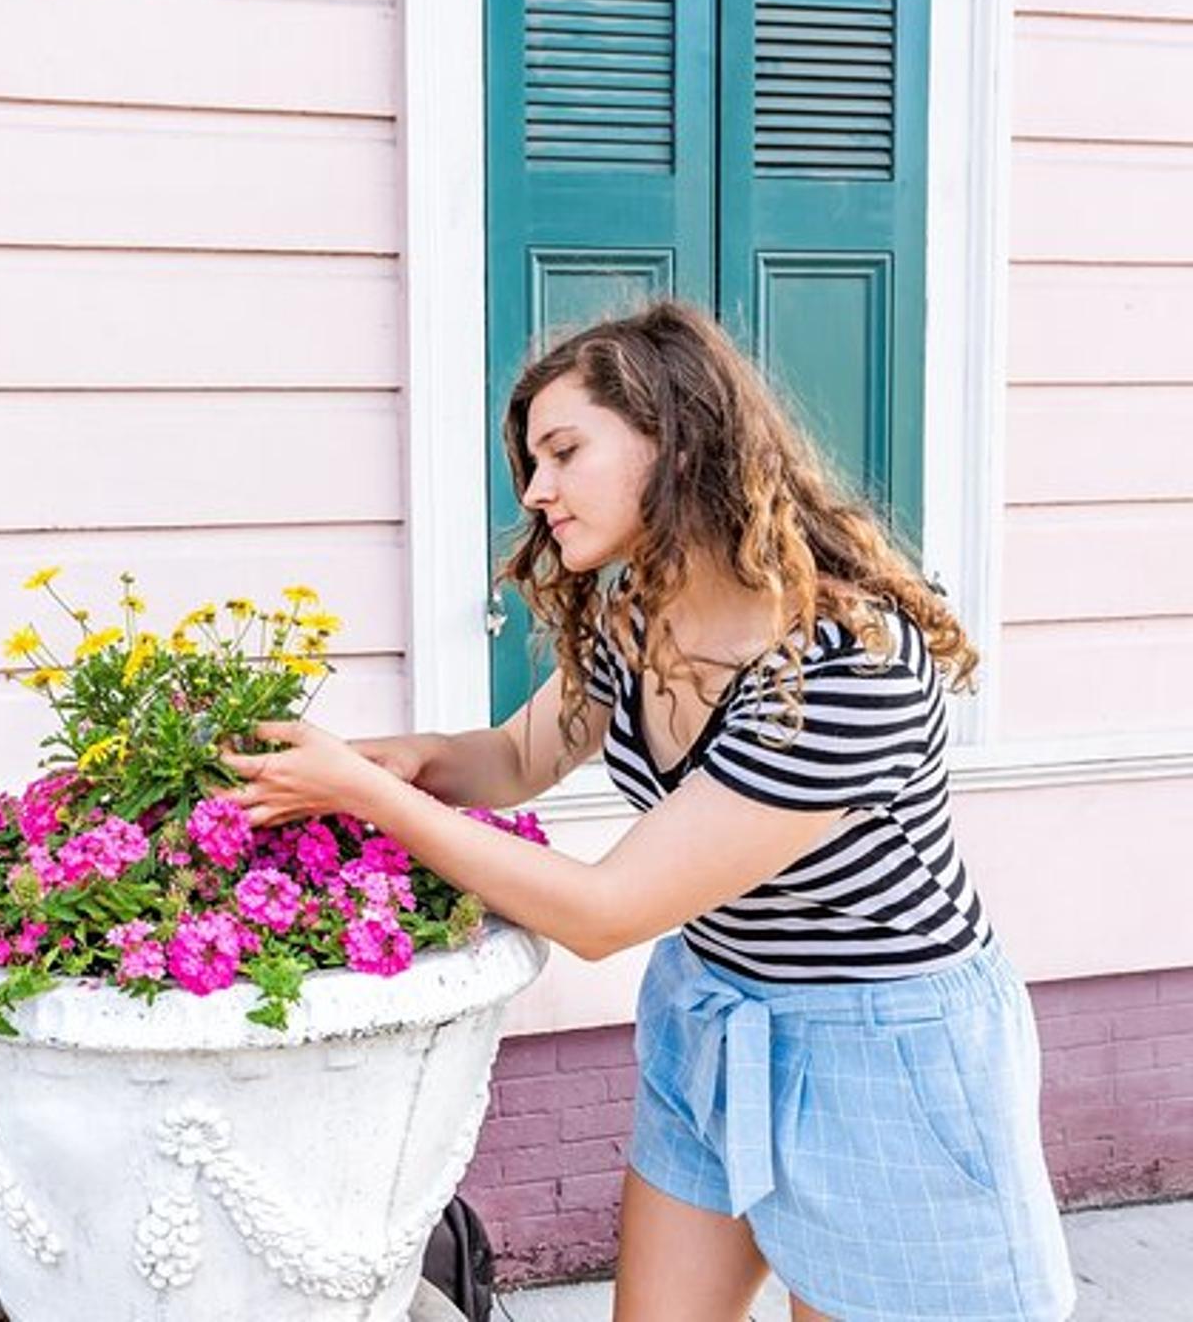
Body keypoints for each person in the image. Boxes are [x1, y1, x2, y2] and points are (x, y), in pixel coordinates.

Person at [218, 301, 1075, 1322]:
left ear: (675, 438)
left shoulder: (846, 662)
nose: (536, 493)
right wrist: (360, 765)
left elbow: (605, 911)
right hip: (713, 1011)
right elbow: (508, 759)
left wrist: (361, 798)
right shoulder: (640, 613)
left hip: (878, 1047)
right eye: (530, 464)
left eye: (563, 452)